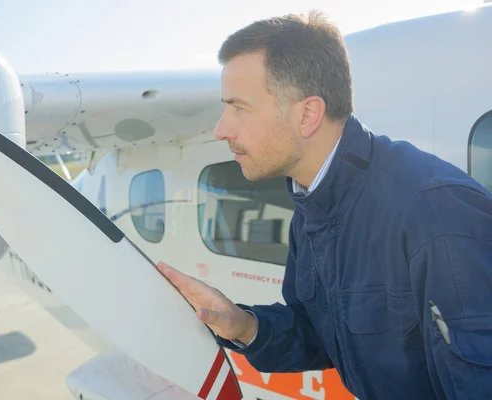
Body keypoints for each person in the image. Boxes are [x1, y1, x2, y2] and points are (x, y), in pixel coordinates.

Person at [157, 9, 492, 400]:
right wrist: (244, 325)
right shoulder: (313, 202)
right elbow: (324, 333)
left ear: (308, 114)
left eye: (239, 108)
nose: (221, 129)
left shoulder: (433, 214)